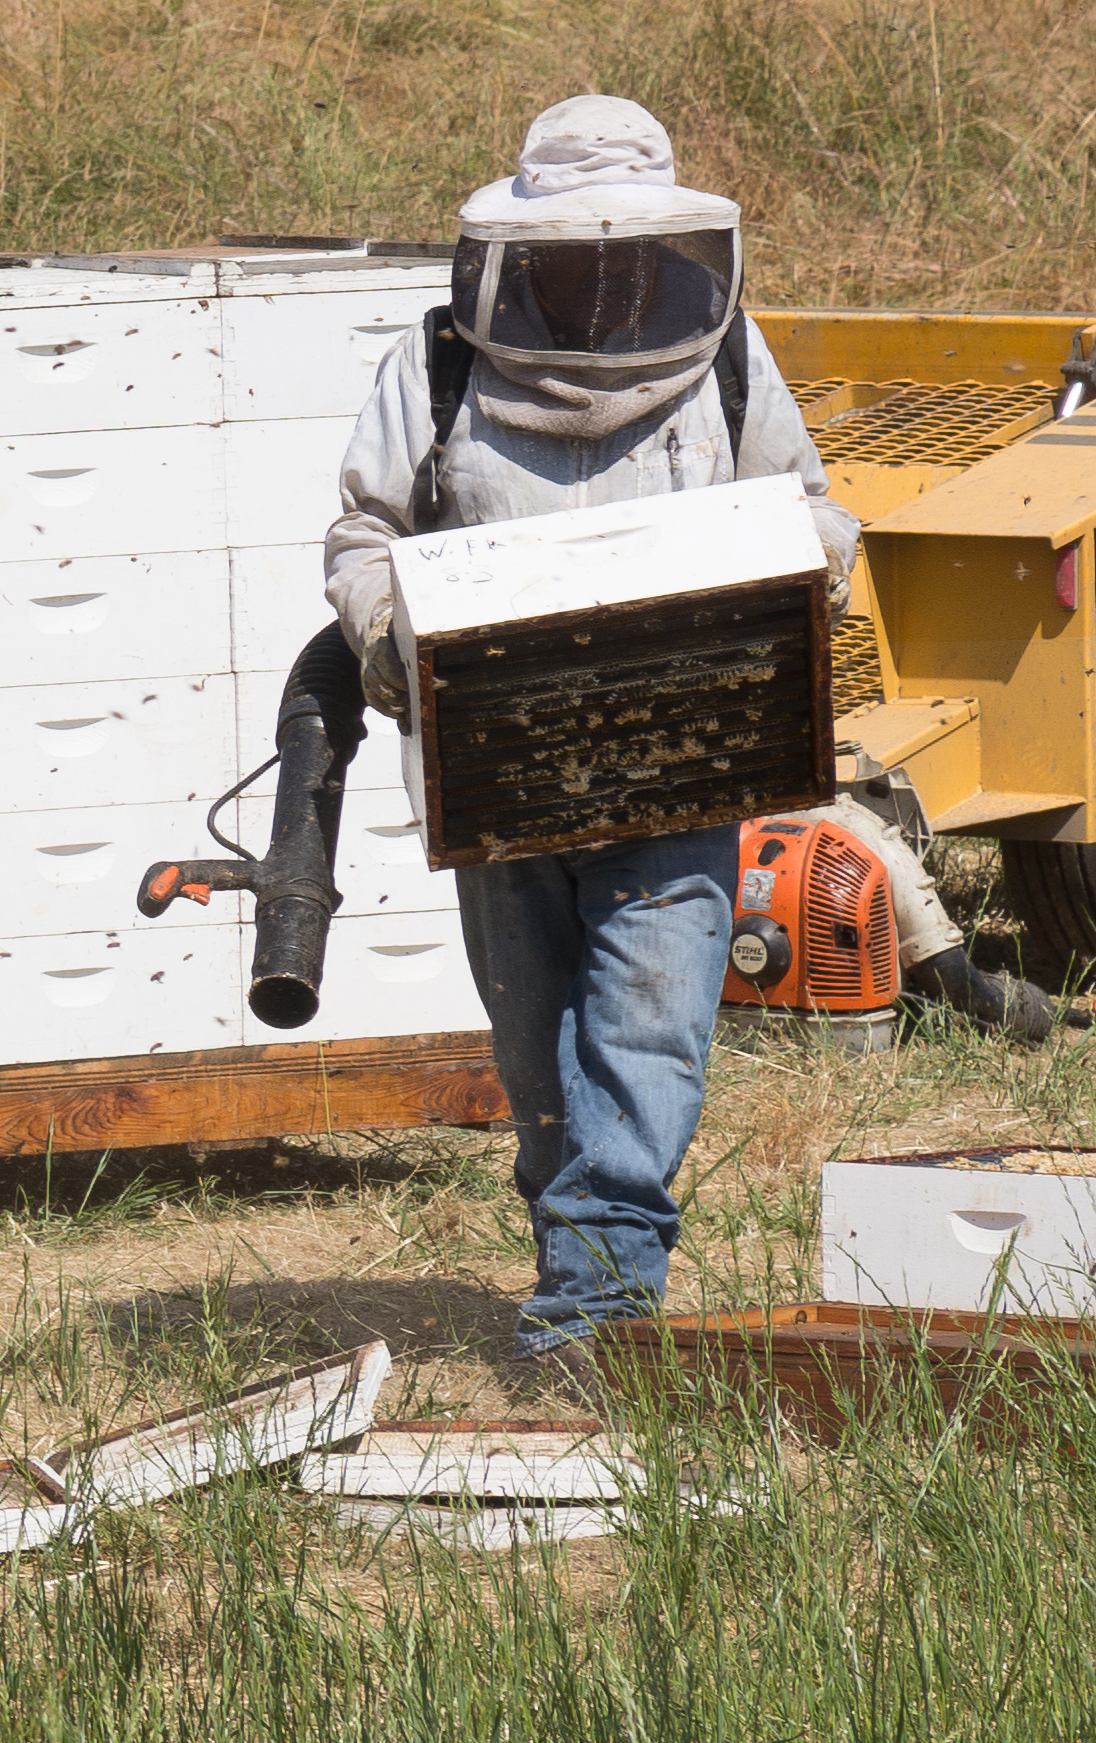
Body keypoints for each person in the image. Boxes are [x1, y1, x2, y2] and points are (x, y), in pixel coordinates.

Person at [326, 96, 866, 1382]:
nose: (608, 273)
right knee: (537, 1045)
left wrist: (802, 571)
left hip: (682, 776)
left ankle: (594, 1309)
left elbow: (812, 512)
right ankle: (572, 1239)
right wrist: (396, 622)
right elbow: (362, 536)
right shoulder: (441, 368)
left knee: (646, 1023)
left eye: (628, 250)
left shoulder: (729, 359)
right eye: (577, 252)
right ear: (517, 253)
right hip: (499, 780)